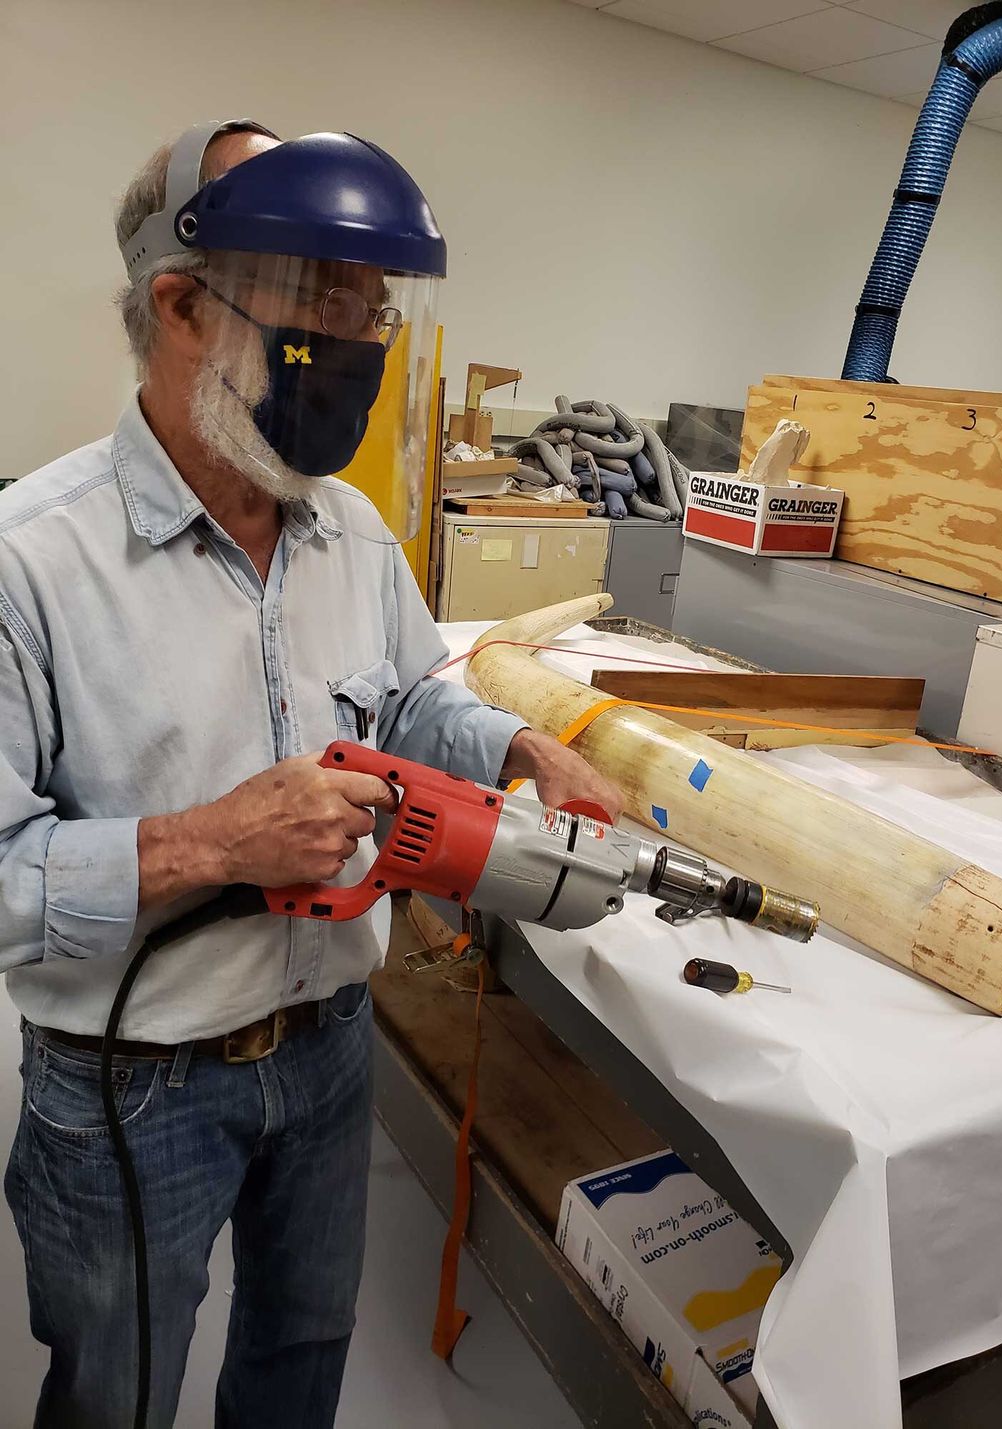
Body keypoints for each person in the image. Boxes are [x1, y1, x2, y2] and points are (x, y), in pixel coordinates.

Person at [0, 119, 622, 1429]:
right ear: (179, 301)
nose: (355, 332)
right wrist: (211, 843)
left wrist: (508, 744)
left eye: (369, 301)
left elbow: (398, 698)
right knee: (117, 1392)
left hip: (337, 1049)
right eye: (316, 293)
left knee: (299, 1365)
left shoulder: (348, 529)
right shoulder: (29, 562)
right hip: (132, 1077)